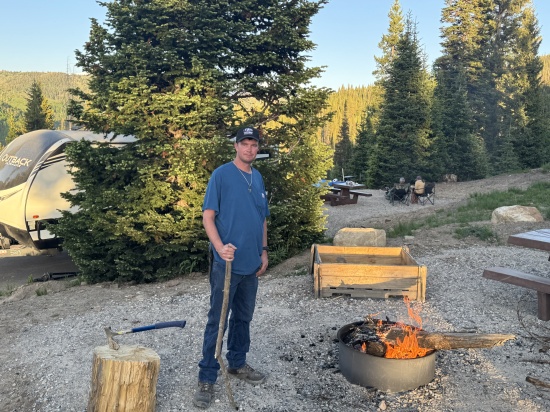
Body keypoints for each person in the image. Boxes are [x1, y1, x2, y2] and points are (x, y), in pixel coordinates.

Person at [194, 126, 270, 409]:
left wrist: (264, 251)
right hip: (226, 265)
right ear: (236, 146)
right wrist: (219, 247)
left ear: (257, 148)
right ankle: (207, 377)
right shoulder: (221, 175)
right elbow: (208, 217)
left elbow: (262, 219)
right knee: (218, 320)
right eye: (244, 143)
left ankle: (237, 363)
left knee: (243, 318)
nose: (249, 149)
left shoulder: (257, 177)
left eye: (254, 144)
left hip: (251, 264)